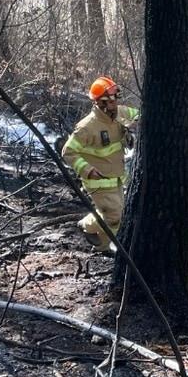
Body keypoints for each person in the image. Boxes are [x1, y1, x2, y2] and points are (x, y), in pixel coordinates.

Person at [62, 76, 139, 252]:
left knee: (116, 216)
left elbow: (140, 114)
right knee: (114, 215)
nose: (113, 103)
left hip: (117, 176)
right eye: (108, 100)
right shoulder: (87, 127)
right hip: (97, 180)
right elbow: (68, 151)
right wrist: (87, 170)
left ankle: (103, 246)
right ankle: (87, 226)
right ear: (99, 102)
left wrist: (134, 123)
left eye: (115, 99)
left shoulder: (121, 113)